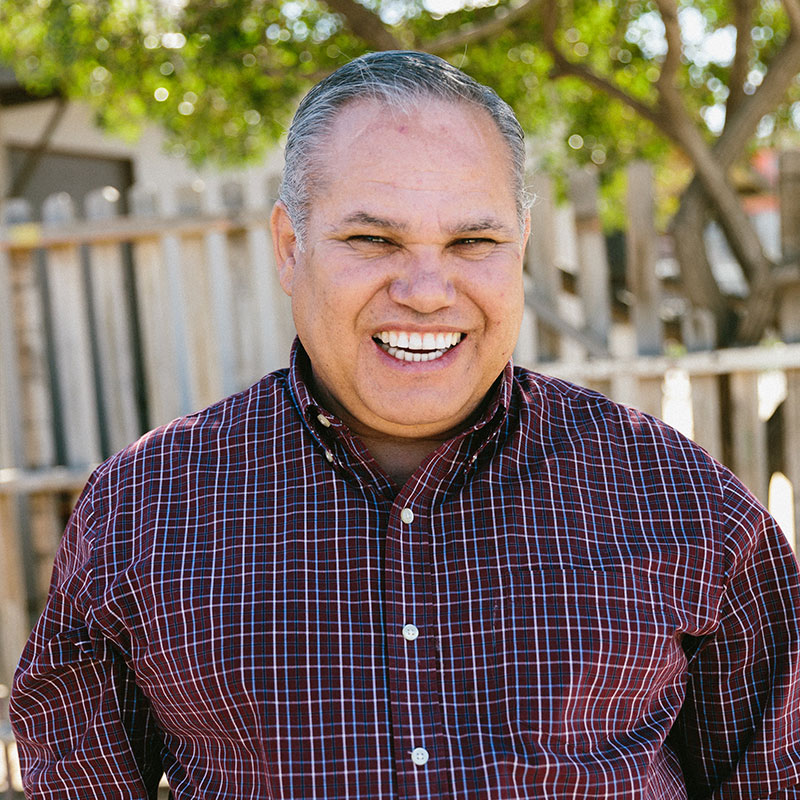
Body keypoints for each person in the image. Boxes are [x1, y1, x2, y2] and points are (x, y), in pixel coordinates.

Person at [9, 50, 800, 800]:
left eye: (473, 241)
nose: (426, 290)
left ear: (520, 247)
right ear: (290, 248)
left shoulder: (678, 498)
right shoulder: (145, 510)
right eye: (373, 239)